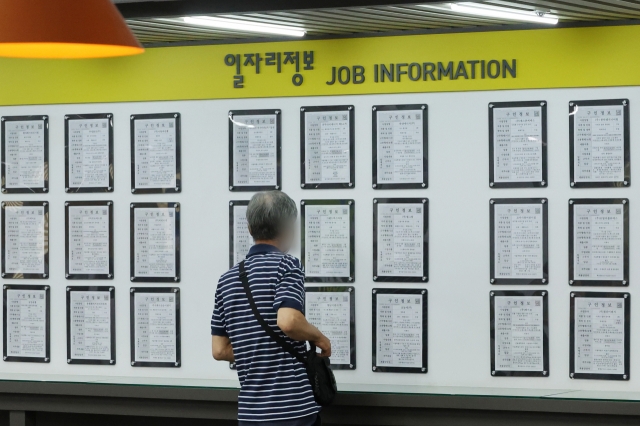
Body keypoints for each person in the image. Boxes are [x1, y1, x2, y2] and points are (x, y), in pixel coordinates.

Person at [211, 191, 331, 426]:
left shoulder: (227, 279)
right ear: (288, 228)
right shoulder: (287, 266)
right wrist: (321, 339)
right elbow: (288, 321)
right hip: (294, 410)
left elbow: (219, 350)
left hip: (251, 413)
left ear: (249, 228)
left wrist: (256, 349)